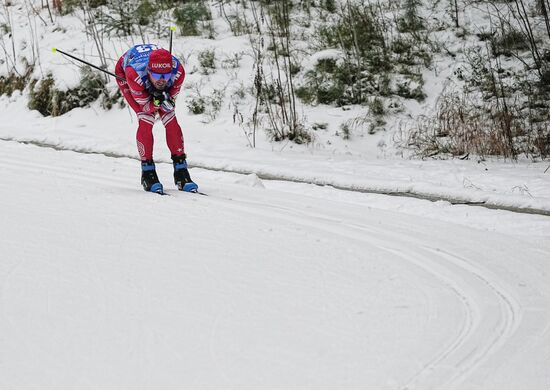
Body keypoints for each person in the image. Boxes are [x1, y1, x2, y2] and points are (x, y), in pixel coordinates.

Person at [115, 44, 198, 194]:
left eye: (165, 76)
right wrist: (155, 102)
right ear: (149, 71)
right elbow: (146, 107)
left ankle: (181, 171)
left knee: (170, 116)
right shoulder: (134, 74)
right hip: (125, 69)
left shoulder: (178, 72)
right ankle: (148, 173)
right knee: (146, 118)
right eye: (157, 76)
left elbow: (168, 103)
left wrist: (164, 100)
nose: (161, 80)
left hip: (149, 70)